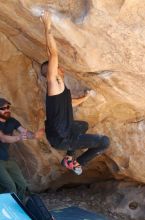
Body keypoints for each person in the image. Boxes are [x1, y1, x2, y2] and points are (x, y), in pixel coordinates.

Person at [41, 12, 110, 175]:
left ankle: (69, 157)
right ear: (52, 72)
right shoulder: (53, 84)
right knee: (104, 142)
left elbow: (70, 103)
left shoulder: (60, 90)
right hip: (62, 139)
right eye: (55, 67)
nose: (59, 67)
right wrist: (47, 25)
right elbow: (53, 54)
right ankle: (76, 162)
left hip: (61, 133)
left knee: (82, 125)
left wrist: (85, 97)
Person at [0, 98, 43, 202]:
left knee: (22, 185)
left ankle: (21, 209)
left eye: (8, 107)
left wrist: (34, 135)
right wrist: (18, 137)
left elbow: (24, 131)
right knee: (10, 187)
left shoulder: (12, 121)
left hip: (7, 159)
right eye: (3, 108)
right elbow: (3, 138)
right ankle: (7, 212)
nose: (7, 110)